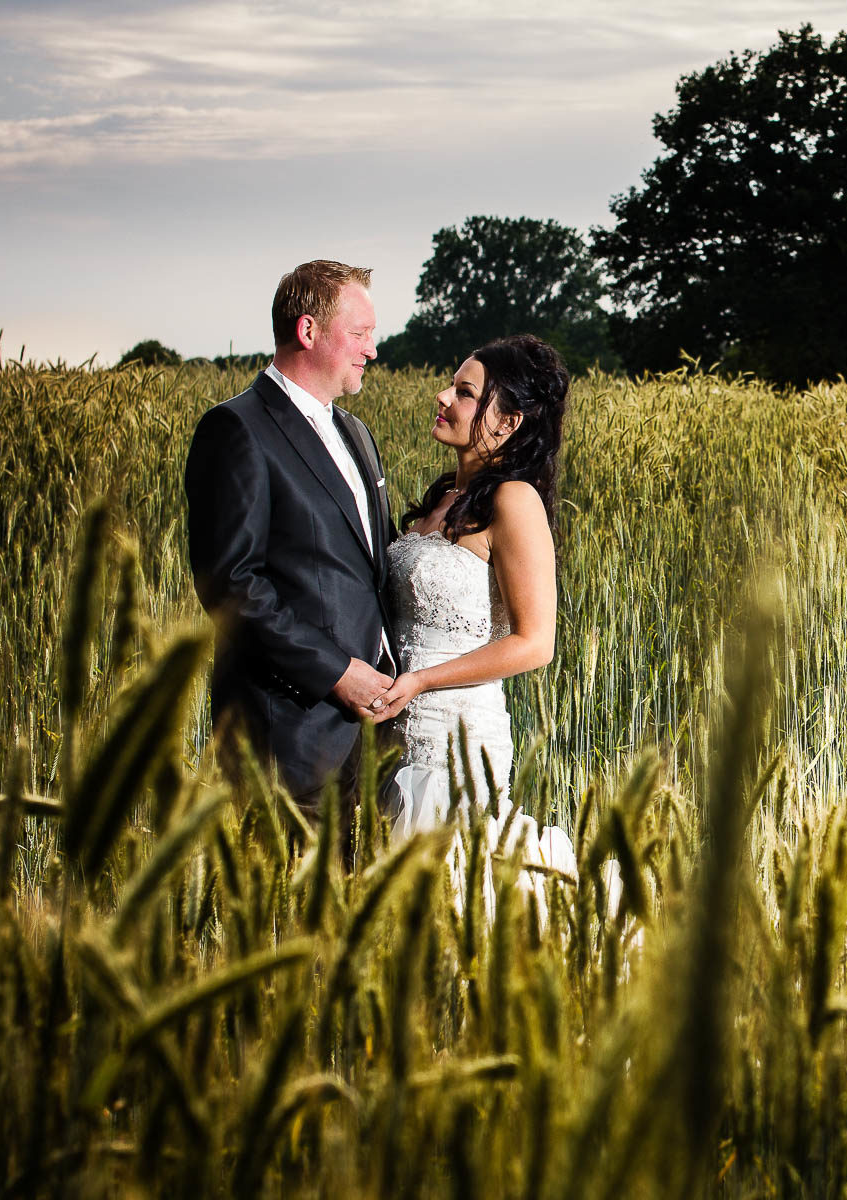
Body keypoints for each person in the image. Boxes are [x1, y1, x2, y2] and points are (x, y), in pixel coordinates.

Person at [367, 334, 583, 911]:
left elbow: (535, 643)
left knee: (455, 900)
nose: (443, 397)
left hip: (456, 737)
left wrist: (420, 681)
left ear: (508, 421)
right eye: (452, 385)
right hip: (395, 732)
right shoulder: (443, 498)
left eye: (465, 393)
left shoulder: (513, 501)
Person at [184, 260, 396, 811]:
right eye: (360, 334)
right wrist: (337, 674)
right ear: (308, 331)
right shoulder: (237, 429)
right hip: (285, 742)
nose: (372, 350)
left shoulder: (355, 432)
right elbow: (231, 585)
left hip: (372, 742)